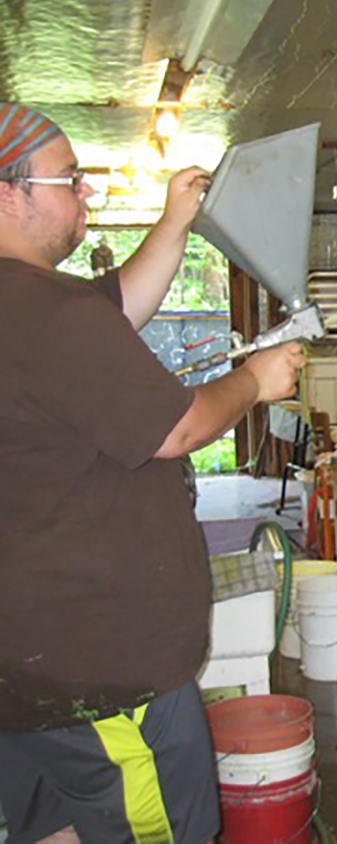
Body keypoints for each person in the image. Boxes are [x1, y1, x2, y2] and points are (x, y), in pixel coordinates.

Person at [0, 103, 306, 843]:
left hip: (31, 672)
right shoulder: (47, 312)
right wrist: (255, 382)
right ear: (10, 193)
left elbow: (117, 311)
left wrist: (174, 222)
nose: (86, 194)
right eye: (70, 179)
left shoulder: (34, 309)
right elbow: (177, 428)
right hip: (105, 683)